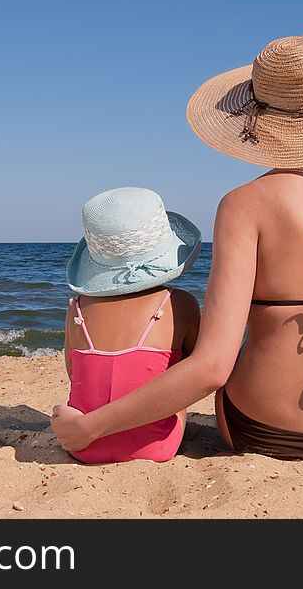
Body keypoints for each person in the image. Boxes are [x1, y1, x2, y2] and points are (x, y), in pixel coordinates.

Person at [52, 35, 303, 461]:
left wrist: (90, 427)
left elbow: (212, 367)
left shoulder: (244, 204)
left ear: (255, 116)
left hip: (263, 432)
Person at [63, 187, 202, 463]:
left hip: (83, 444)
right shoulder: (179, 304)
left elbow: (72, 371)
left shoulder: (76, 309)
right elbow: (197, 366)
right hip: (156, 447)